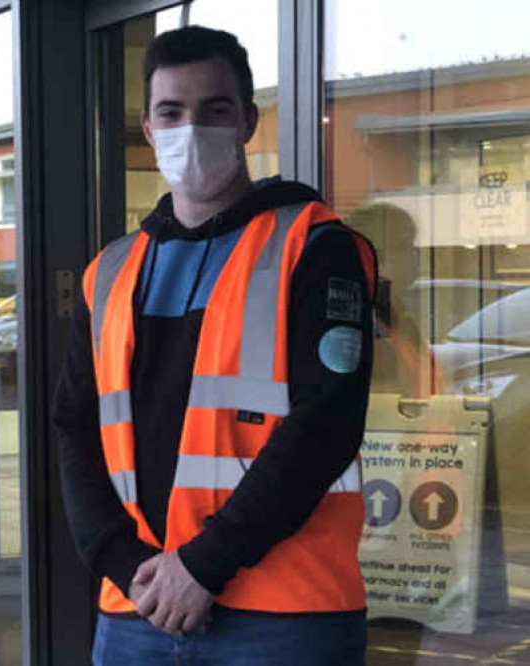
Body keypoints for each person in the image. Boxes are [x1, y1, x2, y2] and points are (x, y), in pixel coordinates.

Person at [53, 26, 378, 665]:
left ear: (249, 122)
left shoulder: (316, 247)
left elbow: (327, 423)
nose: (191, 127)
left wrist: (203, 566)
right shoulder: (110, 271)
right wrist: (124, 562)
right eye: (171, 112)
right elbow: (74, 426)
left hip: (284, 614)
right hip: (138, 608)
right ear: (148, 129)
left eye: (215, 109)